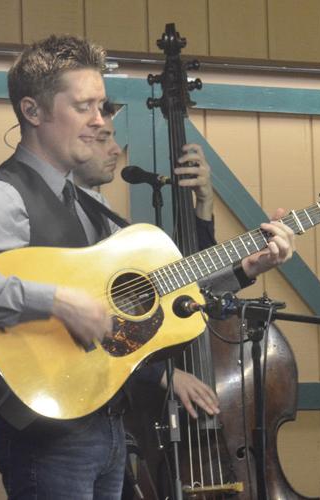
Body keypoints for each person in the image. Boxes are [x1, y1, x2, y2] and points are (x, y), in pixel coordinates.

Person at [0, 35, 296, 499]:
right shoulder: (1, 196)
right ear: (33, 112)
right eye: (84, 107)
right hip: (48, 437)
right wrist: (55, 300)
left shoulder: (87, 204)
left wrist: (244, 268)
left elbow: (154, 290)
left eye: (102, 106)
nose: (101, 121)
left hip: (107, 424)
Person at [72, 100, 220, 419]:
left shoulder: (103, 216)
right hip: (70, 412)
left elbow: (187, 279)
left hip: (109, 413)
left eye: (114, 138)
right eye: (103, 139)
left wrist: (204, 202)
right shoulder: (53, 218)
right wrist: (164, 374)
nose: (115, 149)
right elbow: (76, 329)